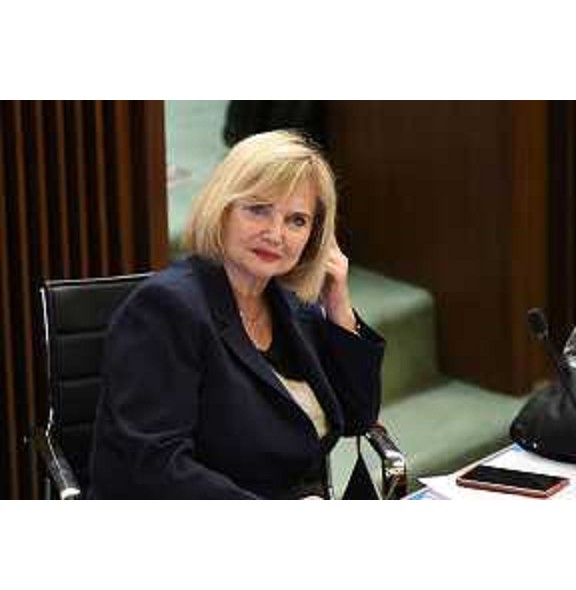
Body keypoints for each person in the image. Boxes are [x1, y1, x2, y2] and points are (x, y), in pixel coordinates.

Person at [88, 130, 385, 499]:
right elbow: (153, 466)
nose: (276, 234)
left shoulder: (291, 304)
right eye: (259, 209)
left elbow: (358, 416)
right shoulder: (166, 310)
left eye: (297, 220)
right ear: (222, 208)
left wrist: (338, 303)